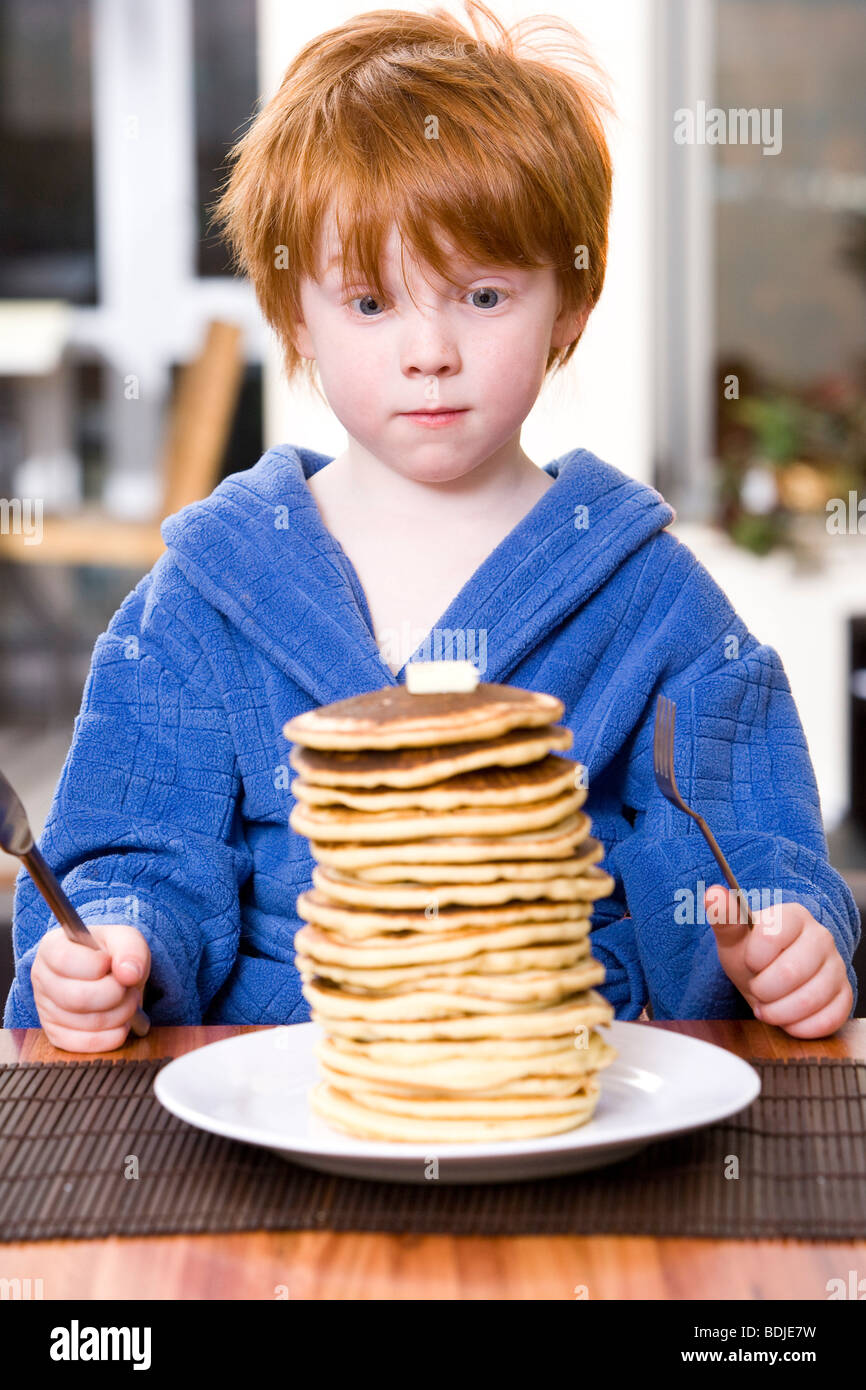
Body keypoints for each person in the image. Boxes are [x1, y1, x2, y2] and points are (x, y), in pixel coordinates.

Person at [5, 1, 859, 1050]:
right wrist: (114, 949)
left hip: (571, 1079)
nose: (429, 350)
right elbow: (135, 855)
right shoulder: (204, 596)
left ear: (570, 304)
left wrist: (774, 938)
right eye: (369, 303)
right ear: (295, 316)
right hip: (277, 1087)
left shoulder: (649, 594)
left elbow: (739, 839)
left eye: (483, 294)